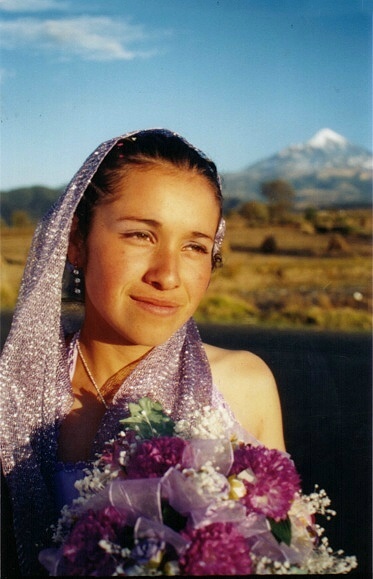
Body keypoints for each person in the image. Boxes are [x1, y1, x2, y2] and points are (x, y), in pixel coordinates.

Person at [0, 128, 284, 575]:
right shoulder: (11, 391)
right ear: (76, 242)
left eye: (194, 246)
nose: (168, 275)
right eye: (140, 236)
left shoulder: (242, 385)